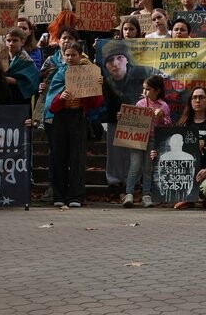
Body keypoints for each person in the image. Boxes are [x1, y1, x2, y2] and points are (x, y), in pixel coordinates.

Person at [46, 42, 104, 208]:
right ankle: (59, 196)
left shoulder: (89, 74)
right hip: (60, 119)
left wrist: (97, 85)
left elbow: (96, 103)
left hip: (78, 118)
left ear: (80, 56)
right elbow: (52, 105)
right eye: (67, 55)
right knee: (59, 157)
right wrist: (61, 97)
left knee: (77, 158)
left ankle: (76, 197)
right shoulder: (58, 74)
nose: (70, 58)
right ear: (63, 56)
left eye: (74, 55)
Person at [101, 39, 156, 196]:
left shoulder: (143, 73)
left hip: (139, 119)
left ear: (126, 59)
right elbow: (106, 102)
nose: (115, 64)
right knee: (115, 153)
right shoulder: (106, 81)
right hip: (115, 119)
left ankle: (134, 183)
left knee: (136, 153)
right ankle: (115, 183)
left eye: (119, 58)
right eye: (110, 60)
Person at [167, 87, 206, 209]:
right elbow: (172, 150)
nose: (197, 100)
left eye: (201, 97)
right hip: (188, 172)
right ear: (190, 101)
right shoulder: (183, 123)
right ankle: (189, 199)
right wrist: (157, 154)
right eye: (194, 97)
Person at [123, 74, 171, 208]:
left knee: (148, 168)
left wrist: (161, 117)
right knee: (135, 165)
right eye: (144, 89)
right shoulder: (140, 103)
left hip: (153, 139)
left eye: (148, 89)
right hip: (138, 138)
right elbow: (132, 121)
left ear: (158, 91)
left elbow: (168, 125)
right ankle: (129, 194)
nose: (144, 92)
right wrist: (123, 117)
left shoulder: (163, 106)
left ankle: (146, 195)